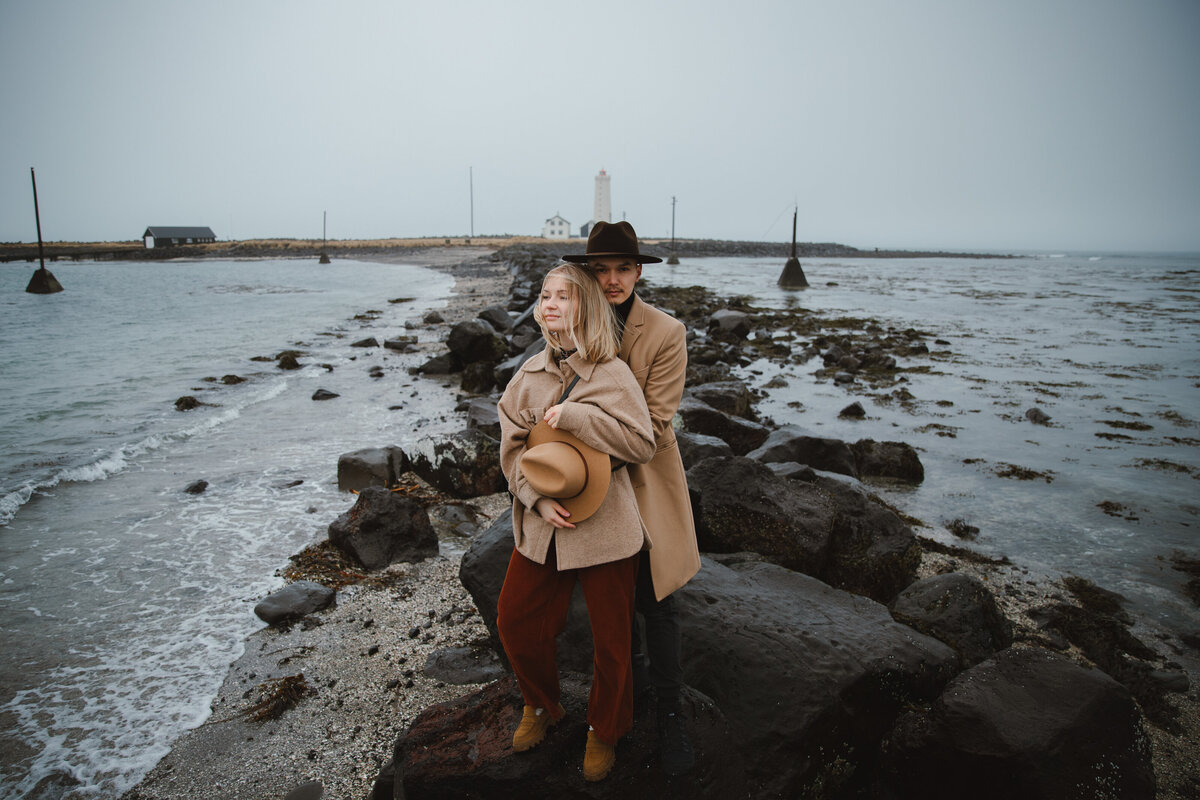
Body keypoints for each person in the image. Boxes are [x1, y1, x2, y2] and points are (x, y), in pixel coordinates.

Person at [496, 262, 657, 782]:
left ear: (584, 306)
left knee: (612, 642)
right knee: (515, 621)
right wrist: (534, 500)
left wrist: (580, 418)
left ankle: (605, 730)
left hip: (607, 522)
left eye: (562, 296)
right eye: (544, 295)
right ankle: (541, 706)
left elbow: (641, 444)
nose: (549, 303)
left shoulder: (613, 374)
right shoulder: (528, 376)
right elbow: (511, 450)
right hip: (545, 520)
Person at [562, 221, 702, 777]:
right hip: (587, 486)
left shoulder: (666, 332)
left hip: (641, 482)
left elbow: (657, 424)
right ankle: (631, 690)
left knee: (658, 602)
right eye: (602, 270)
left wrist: (581, 447)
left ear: (639, 272)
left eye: (623, 268)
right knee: (610, 606)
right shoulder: (569, 325)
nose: (613, 279)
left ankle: (672, 713)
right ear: (589, 275)